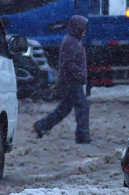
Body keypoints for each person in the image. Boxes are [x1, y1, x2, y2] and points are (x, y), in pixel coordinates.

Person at [33, 15, 91, 144]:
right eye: (83, 27)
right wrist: (80, 75)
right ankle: (82, 136)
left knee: (64, 108)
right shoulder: (71, 41)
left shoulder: (73, 40)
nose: (84, 30)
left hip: (69, 80)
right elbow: (69, 63)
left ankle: (41, 126)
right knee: (82, 107)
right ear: (77, 27)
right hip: (71, 81)